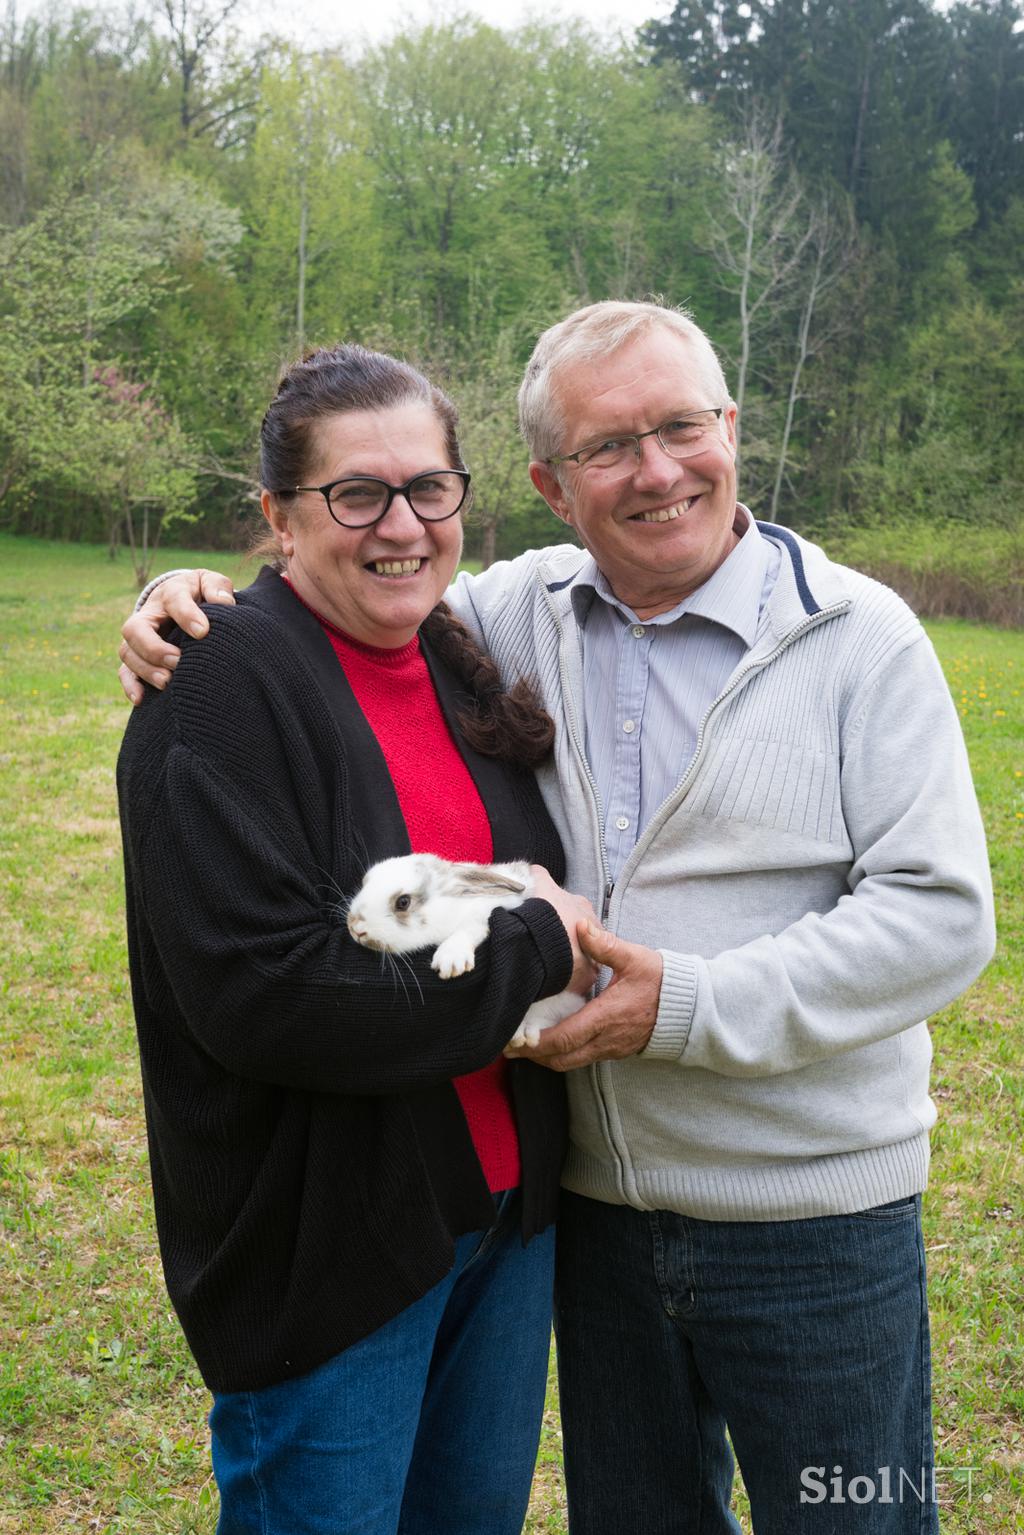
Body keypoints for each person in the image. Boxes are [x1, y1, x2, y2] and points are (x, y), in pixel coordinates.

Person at [120, 302, 996, 1535]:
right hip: (597, 1215)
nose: (655, 470)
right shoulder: (509, 614)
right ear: (548, 482)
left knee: (854, 1513)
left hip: (813, 1217)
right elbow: (340, 588)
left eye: (681, 425)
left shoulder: (858, 637)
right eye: (606, 447)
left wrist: (681, 1007)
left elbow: (940, 917)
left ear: (730, 427)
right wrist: (185, 598)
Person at [116, 342, 597, 1535]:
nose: (402, 523)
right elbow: (277, 995)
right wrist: (541, 943)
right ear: (278, 515)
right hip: (332, 1251)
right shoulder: (217, 689)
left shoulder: (455, 654)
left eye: (430, 487)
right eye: (356, 493)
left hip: (500, 1224)